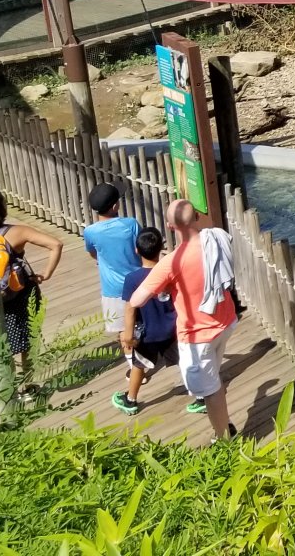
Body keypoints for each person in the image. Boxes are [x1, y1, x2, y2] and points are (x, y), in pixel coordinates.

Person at [123, 200, 238, 440]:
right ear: (197, 216)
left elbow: (137, 299)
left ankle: (224, 436)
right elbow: (207, 234)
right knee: (213, 378)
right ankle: (223, 421)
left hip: (198, 336)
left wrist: (163, 278)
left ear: (169, 226)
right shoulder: (215, 238)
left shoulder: (170, 263)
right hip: (226, 322)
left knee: (209, 390)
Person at [0, 187, 63, 374]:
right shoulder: (18, 232)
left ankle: (9, 386)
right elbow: (56, 244)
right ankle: (28, 384)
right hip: (22, 293)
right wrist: (46, 274)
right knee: (28, 339)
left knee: (1, 342)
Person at [112, 227, 175, 416]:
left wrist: (128, 335)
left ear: (137, 251)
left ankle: (130, 400)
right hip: (171, 327)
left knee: (139, 365)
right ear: (161, 248)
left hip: (148, 332)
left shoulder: (132, 279)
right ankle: (201, 396)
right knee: (186, 362)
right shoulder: (169, 273)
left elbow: (130, 309)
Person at [81, 183, 140, 338]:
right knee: (141, 322)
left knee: (123, 330)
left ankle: (129, 358)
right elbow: (139, 249)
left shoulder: (90, 232)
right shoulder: (131, 224)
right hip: (137, 282)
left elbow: (93, 252)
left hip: (112, 289)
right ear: (115, 206)